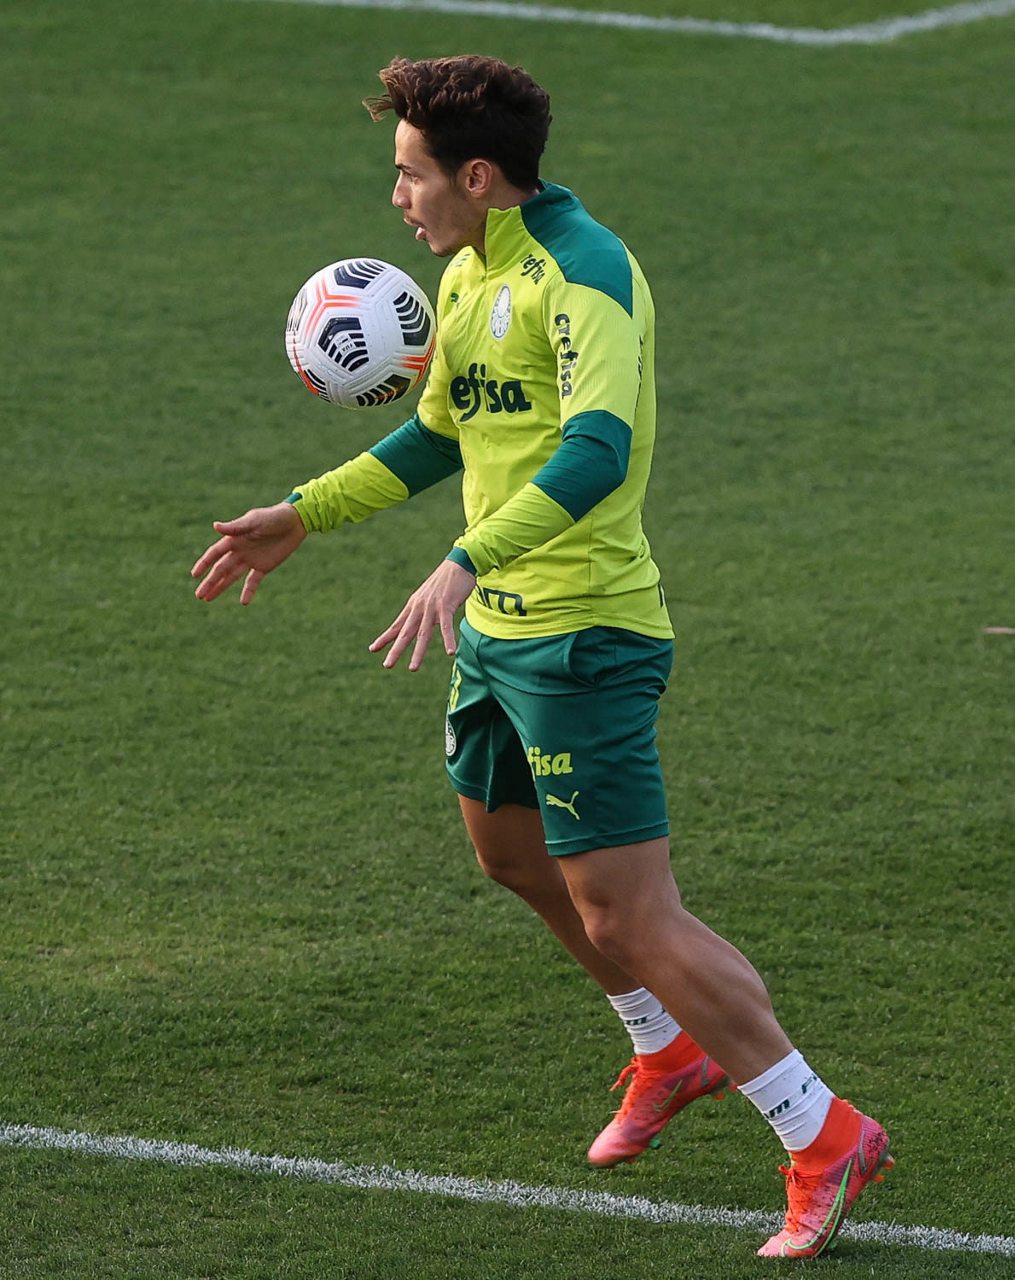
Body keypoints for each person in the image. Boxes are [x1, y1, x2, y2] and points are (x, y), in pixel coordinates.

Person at [191, 54, 891, 1259]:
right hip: (499, 637)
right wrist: (305, 511)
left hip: (584, 634)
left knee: (628, 913)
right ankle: (666, 1049)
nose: (396, 198)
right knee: (510, 854)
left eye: (409, 175)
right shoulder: (467, 272)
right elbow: (438, 435)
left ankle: (821, 1128)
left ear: (477, 175)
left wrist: (464, 559)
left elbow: (596, 449)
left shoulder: (585, 273)